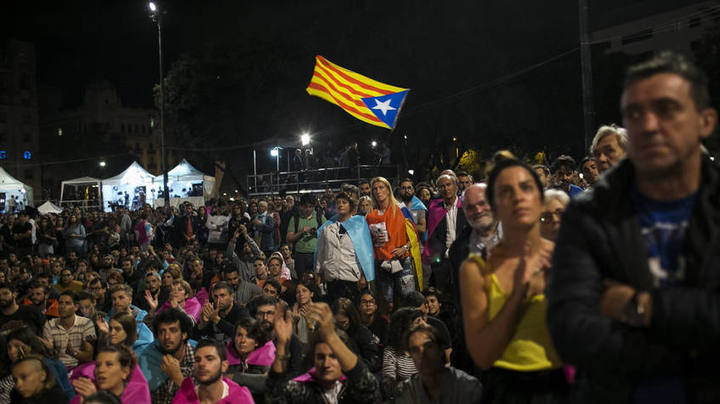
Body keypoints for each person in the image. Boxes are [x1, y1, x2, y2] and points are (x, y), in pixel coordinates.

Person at [548, 52, 720, 403]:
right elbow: (570, 331)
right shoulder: (587, 217)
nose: (650, 124)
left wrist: (638, 308)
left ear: (705, 121)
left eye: (666, 109)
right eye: (635, 114)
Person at [460, 159, 566, 403]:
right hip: (508, 388)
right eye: (506, 192)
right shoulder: (474, 269)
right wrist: (518, 295)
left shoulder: (561, 256)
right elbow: (484, 355)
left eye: (525, 189)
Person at [268, 302, 379, 403]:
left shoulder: (352, 390)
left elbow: (369, 387)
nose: (326, 364)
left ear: (342, 359)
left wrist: (331, 337)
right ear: (313, 360)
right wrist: (282, 345)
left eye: (333, 356)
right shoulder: (301, 391)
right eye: (320, 357)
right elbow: (276, 395)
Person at [366, 177, 418, 311]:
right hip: (381, 262)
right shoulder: (370, 215)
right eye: (375, 189)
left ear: (388, 190)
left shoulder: (401, 209)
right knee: (386, 303)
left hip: (402, 260)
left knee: (409, 301)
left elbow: (413, 235)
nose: (378, 191)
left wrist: (404, 248)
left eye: (381, 187)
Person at [395, 325, 483, 404]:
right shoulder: (407, 390)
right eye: (415, 350)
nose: (422, 354)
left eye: (428, 346)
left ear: (440, 349)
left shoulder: (468, 387)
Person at [314, 191, 374, 305]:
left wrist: (364, 276)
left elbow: (366, 254)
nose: (340, 205)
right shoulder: (327, 229)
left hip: (351, 278)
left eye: (344, 202)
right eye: (338, 202)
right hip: (331, 278)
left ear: (350, 205)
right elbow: (321, 253)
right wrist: (318, 273)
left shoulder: (359, 228)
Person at [0, 326, 75, 402]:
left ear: (29, 346)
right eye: (9, 347)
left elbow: (61, 393)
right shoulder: (12, 370)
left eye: (17, 346)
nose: (12, 351)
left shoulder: (46, 364)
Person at [139, 308, 196, 404]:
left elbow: (198, 400)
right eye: (162, 331)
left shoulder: (199, 360)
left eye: (173, 330)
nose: (167, 337)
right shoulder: (150, 356)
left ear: (184, 334)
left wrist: (178, 377)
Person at [170, 339, 254, 404]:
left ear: (224, 366)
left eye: (209, 359)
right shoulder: (183, 398)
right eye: (197, 360)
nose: (202, 364)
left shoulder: (240, 397)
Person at [425, 174, 468, 292]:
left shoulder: (466, 207)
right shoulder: (434, 210)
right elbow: (432, 236)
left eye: (448, 185)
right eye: (442, 186)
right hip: (443, 261)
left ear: (456, 187)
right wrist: (445, 252)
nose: (446, 189)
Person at [70, 344, 150, 404]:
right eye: (97, 365)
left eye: (109, 365)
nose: (100, 370)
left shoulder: (137, 397)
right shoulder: (86, 395)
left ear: (125, 372)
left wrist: (96, 400)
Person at [42, 291, 96, 370]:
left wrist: (73, 353)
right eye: (60, 303)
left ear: (76, 307)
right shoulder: (50, 325)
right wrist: (49, 349)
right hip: (57, 366)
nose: (62, 306)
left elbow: (89, 356)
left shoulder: (86, 323)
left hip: (78, 366)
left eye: (67, 303)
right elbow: (48, 356)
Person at [225, 318, 275, 403]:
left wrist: (233, 377)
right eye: (239, 335)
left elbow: (267, 383)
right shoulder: (227, 356)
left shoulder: (267, 357)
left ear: (256, 342)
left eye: (249, 336)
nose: (243, 340)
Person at [331, 297, 381, 373]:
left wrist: (354, 365)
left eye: (344, 323)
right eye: (337, 323)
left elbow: (373, 362)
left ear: (351, 318)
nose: (341, 327)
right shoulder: (330, 332)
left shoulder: (362, 332)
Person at [382, 308, 420, 400]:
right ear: (403, 329)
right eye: (417, 323)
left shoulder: (424, 347)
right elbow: (388, 387)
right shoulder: (391, 351)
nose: (421, 327)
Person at [286, 194, 325, 278]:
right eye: (305, 206)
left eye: (310, 207)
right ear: (301, 206)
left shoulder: (320, 217)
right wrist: (301, 232)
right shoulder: (295, 218)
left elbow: (327, 235)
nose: (308, 209)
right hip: (300, 255)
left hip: (316, 254)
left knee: (316, 280)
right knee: (301, 280)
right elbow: (289, 238)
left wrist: (316, 233)